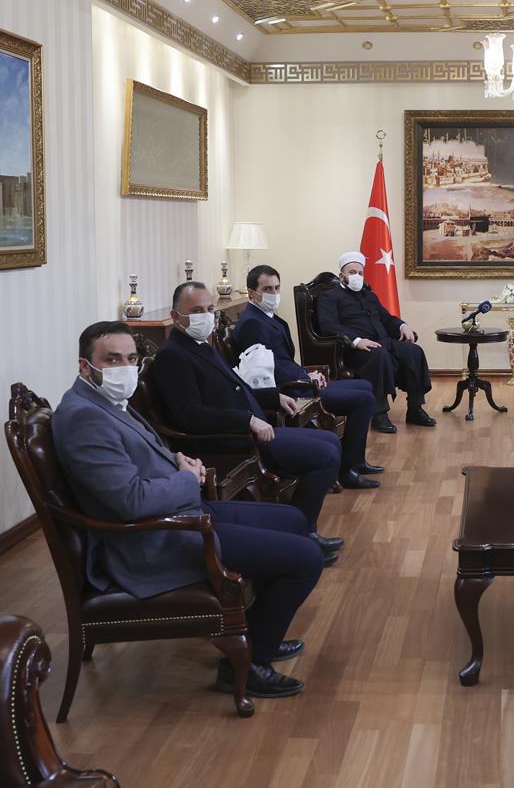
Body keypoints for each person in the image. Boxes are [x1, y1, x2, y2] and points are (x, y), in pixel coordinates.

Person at [53, 321, 325, 698]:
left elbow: (140, 456)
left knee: (293, 520)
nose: (124, 368)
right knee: (307, 558)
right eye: (112, 360)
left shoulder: (102, 401)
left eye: (130, 359)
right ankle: (249, 663)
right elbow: (130, 501)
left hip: (180, 512)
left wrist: (176, 460)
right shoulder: (84, 418)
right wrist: (185, 478)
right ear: (86, 366)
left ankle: (256, 631)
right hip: (155, 537)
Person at [150, 281, 344, 562]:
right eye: (197, 311)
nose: (206, 316)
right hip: (231, 440)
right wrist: (247, 421)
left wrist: (274, 396)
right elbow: (190, 415)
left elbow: (236, 387)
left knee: (330, 441)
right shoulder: (173, 355)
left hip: (251, 426)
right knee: (325, 455)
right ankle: (303, 534)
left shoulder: (202, 345)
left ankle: (301, 528)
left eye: (210, 309)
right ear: (176, 316)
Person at [235, 264, 381, 490]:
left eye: (277, 288)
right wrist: (305, 377)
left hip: (297, 380)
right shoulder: (252, 323)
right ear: (252, 293)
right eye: (267, 289)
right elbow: (267, 368)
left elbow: (283, 359)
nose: (274, 293)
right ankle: (347, 470)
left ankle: (355, 461)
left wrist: (307, 372)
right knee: (363, 399)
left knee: (364, 386)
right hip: (289, 390)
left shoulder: (266, 316)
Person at [316, 251, 434, 432]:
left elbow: (386, 319)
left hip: (383, 341)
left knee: (414, 352)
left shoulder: (368, 295)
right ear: (341, 276)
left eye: (360, 273)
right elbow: (328, 325)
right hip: (354, 349)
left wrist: (402, 326)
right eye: (352, 272)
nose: (357, 276)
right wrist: (356, 341)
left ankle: (415, 408)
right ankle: (379, 414)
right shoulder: (329, 296)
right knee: (379, 356)